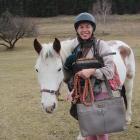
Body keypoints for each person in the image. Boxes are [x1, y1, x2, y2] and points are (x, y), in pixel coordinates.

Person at [64, 12, 115, 140]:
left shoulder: (101, 46)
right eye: (81, 27)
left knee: (101, 131)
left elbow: (110, 72)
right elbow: (75, 75)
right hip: (83, 95)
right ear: (77, 29)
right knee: (89, 131)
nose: (84, 30)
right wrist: (73, 91)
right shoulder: (75, 48)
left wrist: (92, 71)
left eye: (88, 26)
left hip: (100, 92)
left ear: (93, 28)